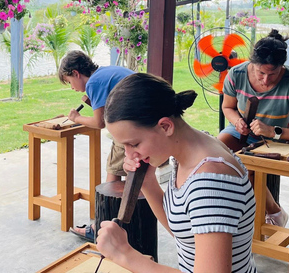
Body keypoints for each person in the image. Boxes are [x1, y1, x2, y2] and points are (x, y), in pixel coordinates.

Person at [96, 73, 257, 273]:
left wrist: (124, 254)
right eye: (124, 146)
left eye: (134, 144)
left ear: (165, 126)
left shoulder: (209, 182)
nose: (129, 154)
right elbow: (186, 233)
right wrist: (147, 182)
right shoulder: (194, 150)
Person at [219, 29, 289, 227]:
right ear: (252, 64)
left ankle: (268, 215)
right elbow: (228, 107)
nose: (266, 80)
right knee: (216, 154)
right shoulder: (237, 74)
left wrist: (273, 131)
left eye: (273, 74)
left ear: (282, 67)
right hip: (243, 134)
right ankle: (242, 214)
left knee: (246, 167)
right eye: (261, 73)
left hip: (277, 141)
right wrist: (237, 121)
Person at [58, 50, 133, 241]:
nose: (72, 87)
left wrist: (76, 118)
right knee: (124, 173)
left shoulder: (93, 82)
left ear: (76, 73)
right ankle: (116, 222)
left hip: (131, 125)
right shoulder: (106, 72)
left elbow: (100, 123)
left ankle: (101, 227)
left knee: (113, 173)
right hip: (141, 118)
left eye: (69, 81)